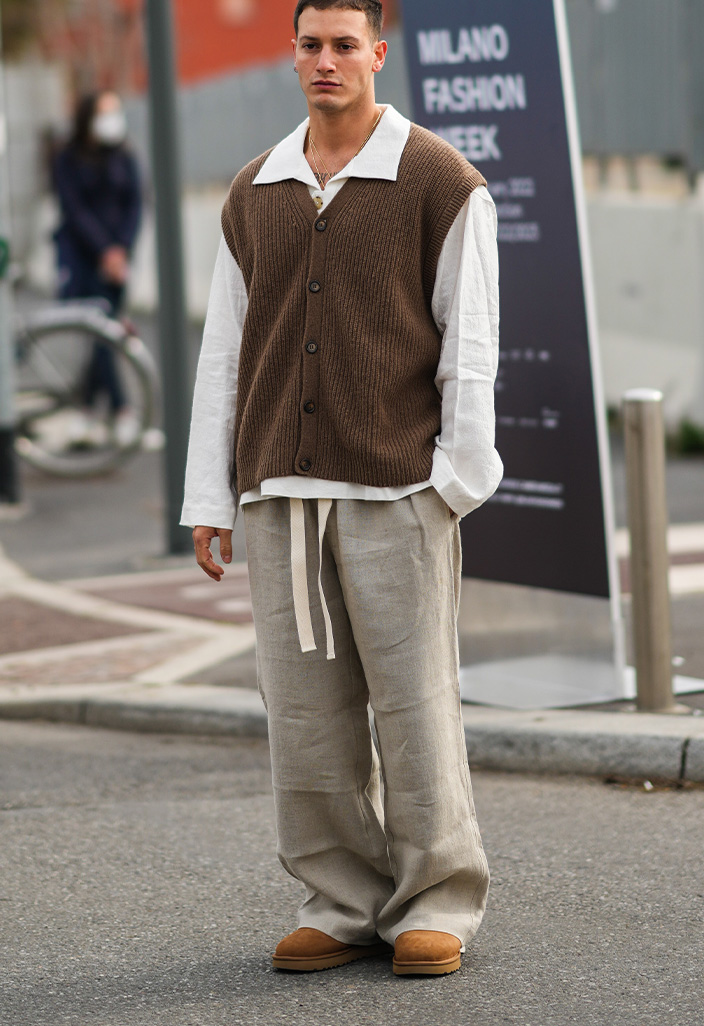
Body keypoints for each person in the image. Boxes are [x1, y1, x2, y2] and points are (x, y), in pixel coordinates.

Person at [182, 0, 502, 977]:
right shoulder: (254, 191)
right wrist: (211, 497)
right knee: (306, 719)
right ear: (292, 55)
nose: (326, 61)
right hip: (280, 497)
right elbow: (223, 355)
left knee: (414, 710)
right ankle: (341, 897)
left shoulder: (438, 182)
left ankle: (435, 901)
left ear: (377, 52)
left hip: (397, 494)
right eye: (310, 45)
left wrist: (453, 485)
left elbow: (469, 348)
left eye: (343, 45)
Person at [53, 90, 142, 446]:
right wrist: (105, 251)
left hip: (117, 262)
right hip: (82, 259)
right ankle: (122, 410)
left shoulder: (125, 156)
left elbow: (135, 204)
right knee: (101, 334)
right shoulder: (67, 158)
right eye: (105, 112)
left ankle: (88, 409)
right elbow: (73, 210)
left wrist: (120, 252)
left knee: (102, 336)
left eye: (115, 111)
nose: (112, 119)